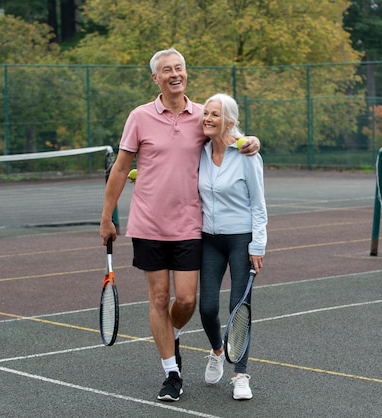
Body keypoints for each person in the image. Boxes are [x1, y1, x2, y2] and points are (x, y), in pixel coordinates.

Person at [99, 48, 260, 402]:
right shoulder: (139, 117)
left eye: (180, 68)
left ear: (186, 74)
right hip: (147, 225)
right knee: (158, 299)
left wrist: (252, 142)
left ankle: (168, 337)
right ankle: (172, 371)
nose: (175, 74)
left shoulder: (202, 115)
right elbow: (122, 168)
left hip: (190, 226)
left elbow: (231, 134)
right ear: (155, 78)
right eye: (166, 70)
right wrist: (108, 215)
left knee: (186, 301)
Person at [197, 93, 267, 400]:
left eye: (215, 114)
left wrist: (258, 245)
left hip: (241, 239)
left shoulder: (247, 154)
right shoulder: (198, 150)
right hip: (208, 240)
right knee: (207, 306)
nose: (208, 118)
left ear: (230, 120)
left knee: (238, 308)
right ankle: (216, 351)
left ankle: (240, 374)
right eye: (206, 113)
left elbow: (259, 205)